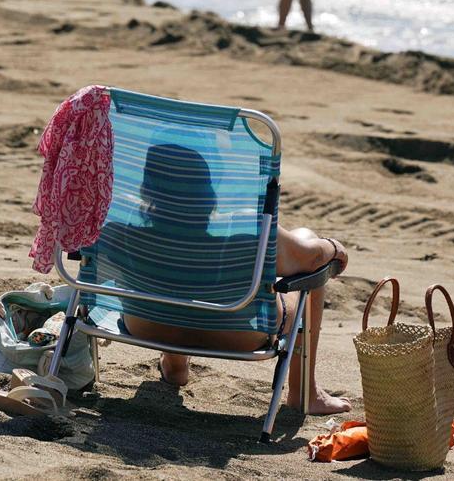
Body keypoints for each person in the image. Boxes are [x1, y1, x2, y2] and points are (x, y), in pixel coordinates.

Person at [108, 143, 352, 415]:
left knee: (175, 283)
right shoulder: (251, 233)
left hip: (148, 326)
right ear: (210, 192)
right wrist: (332, 246)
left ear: (145, 191)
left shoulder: (121, 233)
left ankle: (175, 367)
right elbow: (312, 260)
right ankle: (304, 393)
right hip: (236, 334)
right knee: (306, 244)